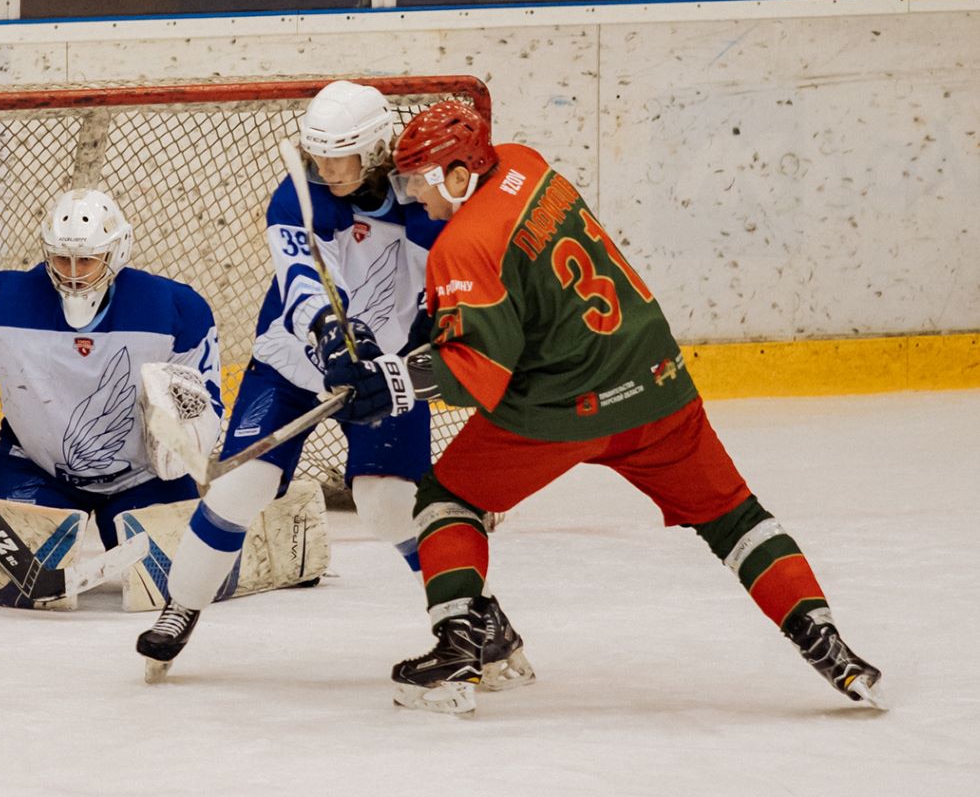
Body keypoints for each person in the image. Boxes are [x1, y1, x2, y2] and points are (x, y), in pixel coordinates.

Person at [336, 99, 884, 715]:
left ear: (459, 173)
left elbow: (481, 373)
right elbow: (522, 296)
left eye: (419, 181)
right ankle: (834, 652)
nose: (413, 198)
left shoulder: (462, 245)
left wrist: (397, 384)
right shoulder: (528, 166)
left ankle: (460, 648)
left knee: (447, 497)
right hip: (656, 380)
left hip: (566, 407)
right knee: (733, 515)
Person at [134, 81, 534, 683]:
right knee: (241, 488)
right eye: (317, 154)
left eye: (338, 156)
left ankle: (478, 616)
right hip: (294, 359)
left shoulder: (419, 194)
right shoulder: (297, 199)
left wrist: (414, 342)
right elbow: (301, 279)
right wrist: (331, 333)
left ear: (374, 149)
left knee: (390, 505)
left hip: (388, 370)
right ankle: (181, 607)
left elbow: (443, 278)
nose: (325, 169)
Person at [0, 189, 221, 554]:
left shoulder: (175, 310)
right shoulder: (2, 300)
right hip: (33, 468)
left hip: (142, 478)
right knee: (15, 571)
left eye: (86, 260)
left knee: (176, 574)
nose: (73, 274)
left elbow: (205, 401)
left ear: (116, 251)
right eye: (62, 259)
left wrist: (186, 437)